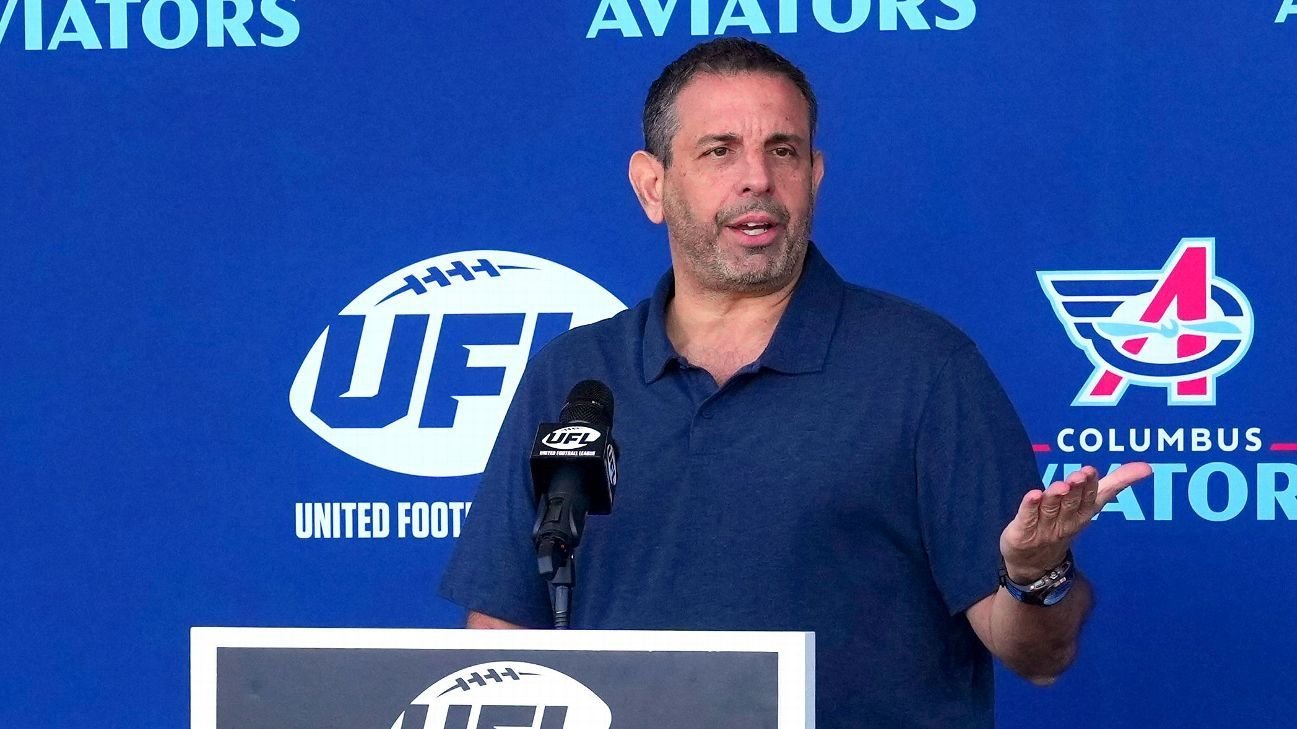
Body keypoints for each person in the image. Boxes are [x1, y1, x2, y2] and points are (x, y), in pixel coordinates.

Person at [439, 38, 1150, 728]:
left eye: (782, 150)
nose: (757, 178)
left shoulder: (924, 368)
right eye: (719, 151)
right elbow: (500, 636)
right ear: (652, 186)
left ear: (814, 174)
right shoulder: (574, 375)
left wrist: (1035, 574)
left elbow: (1039, 656)